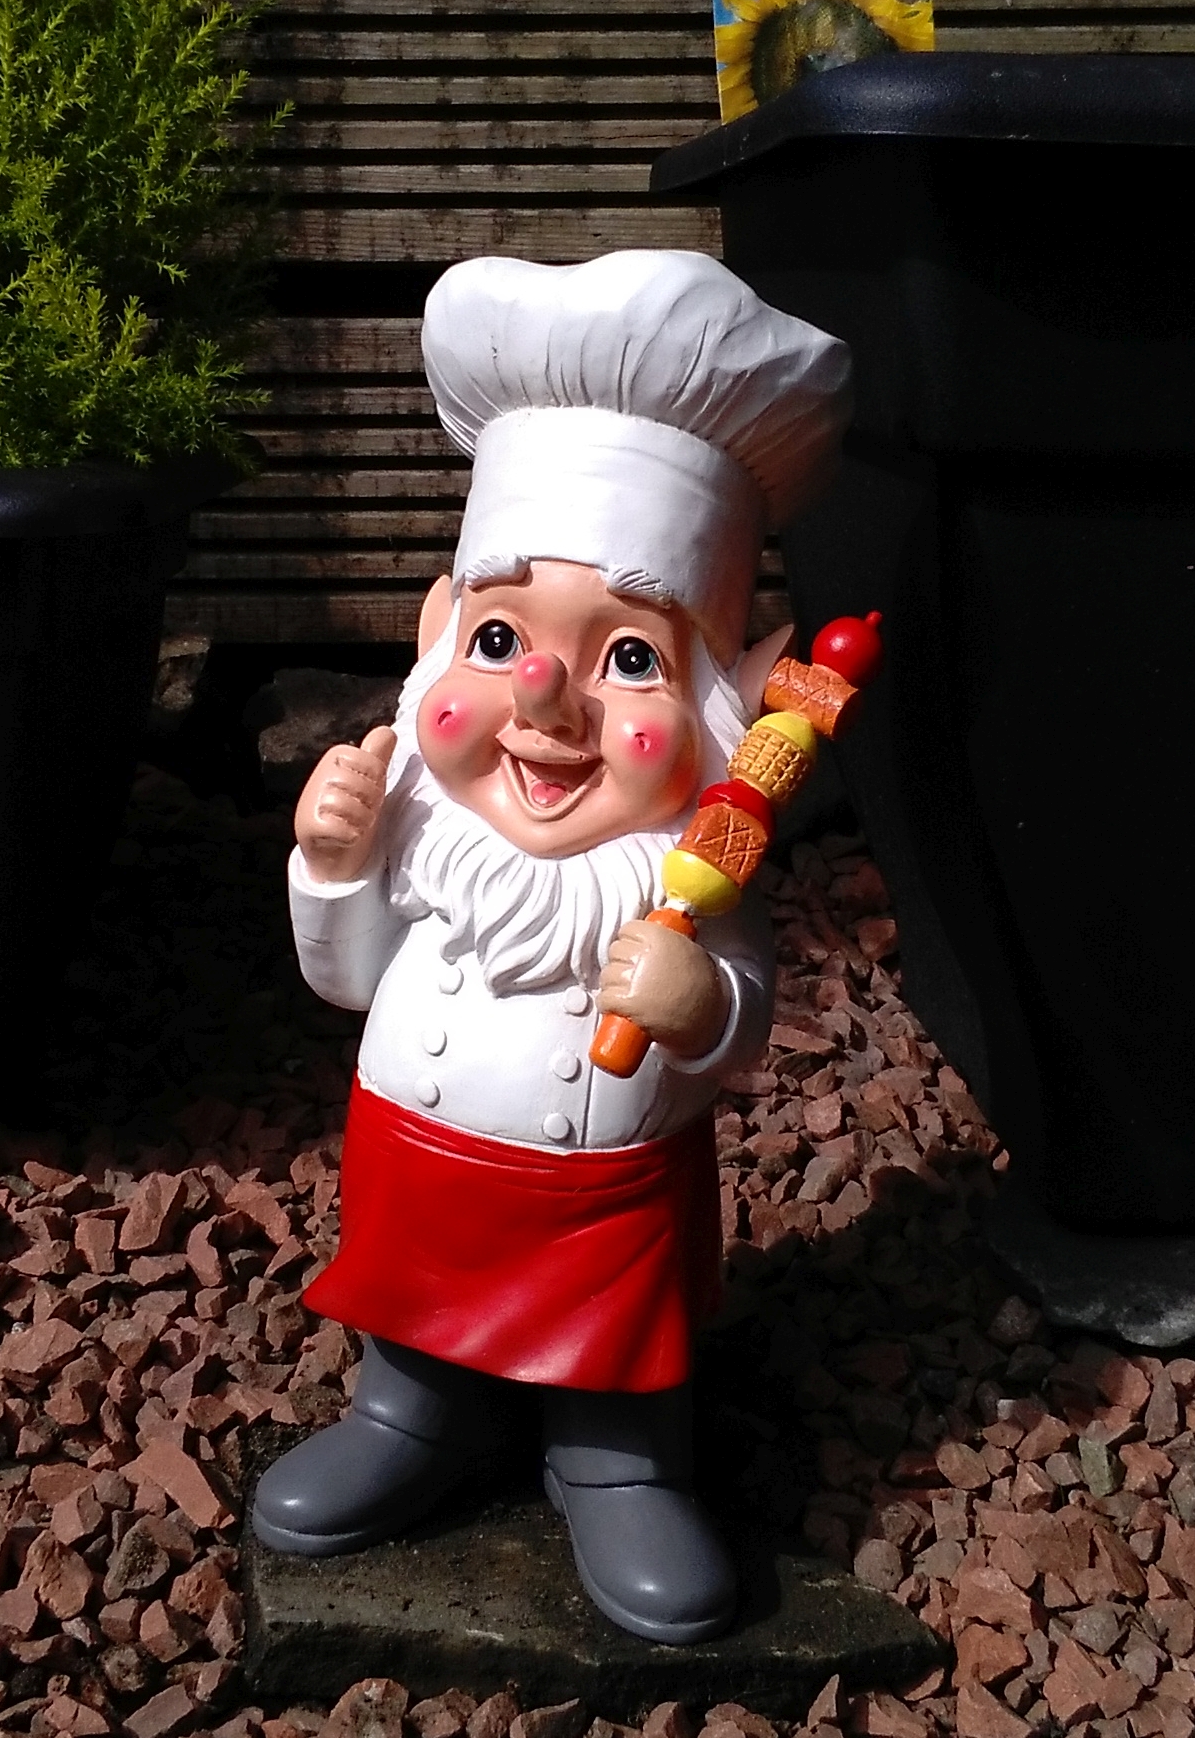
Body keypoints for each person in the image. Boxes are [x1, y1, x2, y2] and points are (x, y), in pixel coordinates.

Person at [251, 250, 851, 1643]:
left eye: (630, 658)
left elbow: (741, 1024)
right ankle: (410, 1412)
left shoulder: (689, 878)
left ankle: (620, 1463)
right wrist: (333, 867)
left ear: (724, 707)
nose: (545, 703)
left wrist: (697, 1002)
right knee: (414, 1312)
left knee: (616, 1349)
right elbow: (348, 977)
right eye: (502, 637)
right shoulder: (420, 829)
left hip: (605, 1212)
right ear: (435, 638)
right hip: (420, 1172)